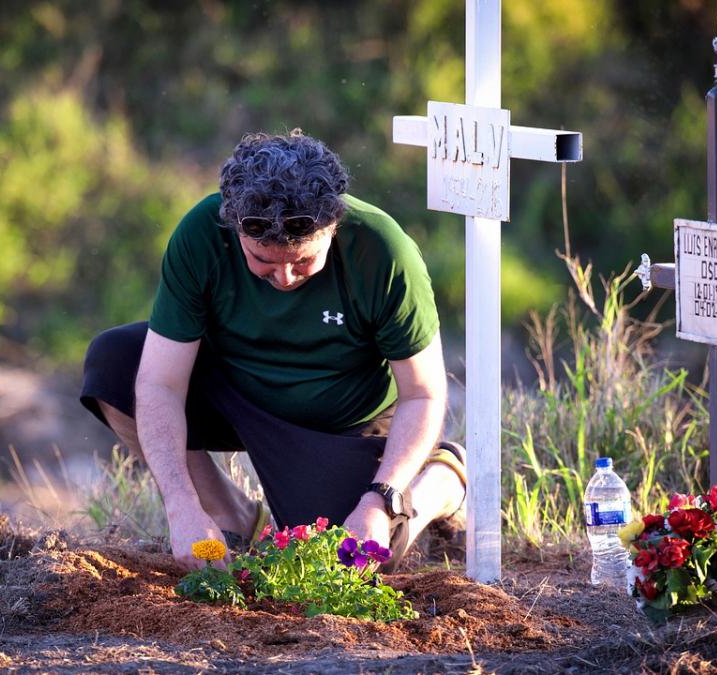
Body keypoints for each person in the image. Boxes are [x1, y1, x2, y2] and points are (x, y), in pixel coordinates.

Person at [80, 129, 466, 570]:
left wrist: (380, 501)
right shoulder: (200, 235)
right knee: (116, 364)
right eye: (263, 261)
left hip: (341, 421)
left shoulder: (384, 250)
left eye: (303, 261)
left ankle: (444, 477)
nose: (284, 278)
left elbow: (423, 393)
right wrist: (182, 507)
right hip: (237, 389)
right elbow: (159, 384)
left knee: (353, 557)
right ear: (233, 225)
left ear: (334, 223)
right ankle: (232, 515)